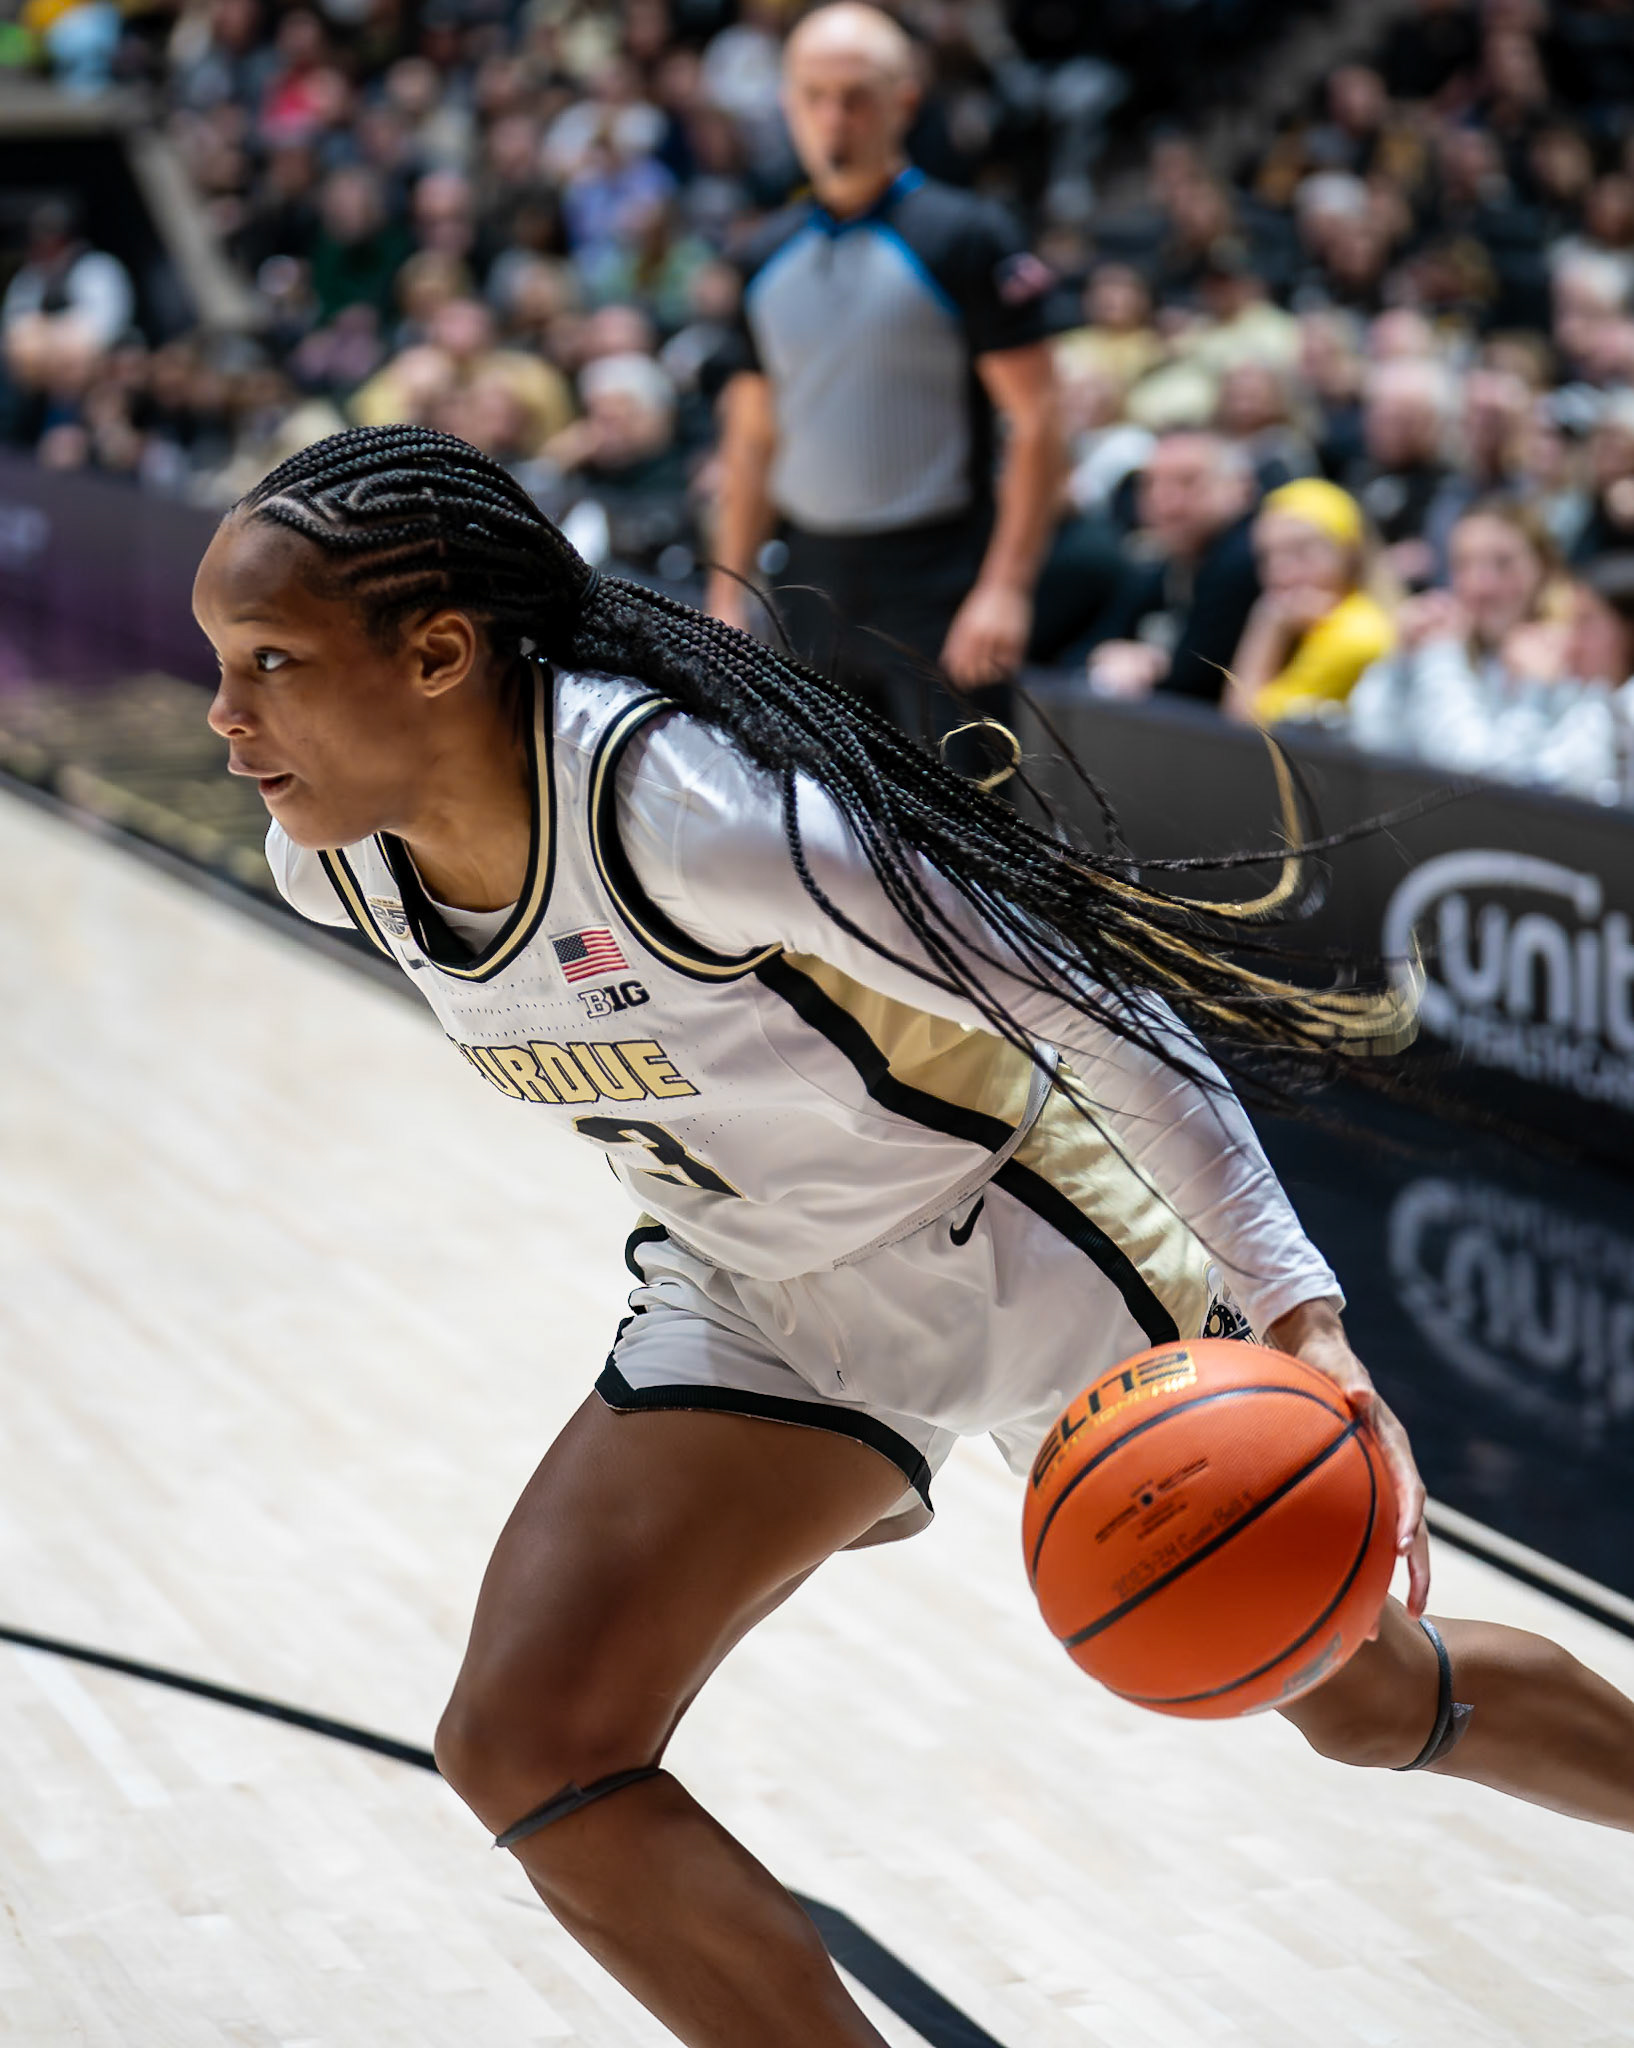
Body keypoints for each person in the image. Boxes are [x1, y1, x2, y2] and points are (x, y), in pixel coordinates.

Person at [193, 424, 1634, 2048]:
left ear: (441, 653)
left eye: (268, 664)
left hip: (1018, 1229)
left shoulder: (689, 810)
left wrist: (1296, 1313)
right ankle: (849, 1462)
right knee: (526, 1743)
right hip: (753, 1287)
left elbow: (1090, 1008)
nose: (225, 718)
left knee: (1363, 1699)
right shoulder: (336, 866)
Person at [705, 2, 1061, 767]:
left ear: (905, 98)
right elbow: (752, 436)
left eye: (857, 95)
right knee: (823, 829)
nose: (834, 117)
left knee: (976, 832)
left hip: (939, 578)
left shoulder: (964, 236)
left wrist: (1006, 588)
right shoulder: (761, 254)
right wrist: (731, 591)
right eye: (814, 94)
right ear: (785, 102)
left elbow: (1039, 423)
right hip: (807, 577)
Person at [1345, 498, 1562, 773]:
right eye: (1463, 565)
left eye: (1503, 563)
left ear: (1543, 568)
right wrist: (1398, 662)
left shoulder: (1571, 656)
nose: (1481, 585)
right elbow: (1371, 739)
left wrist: (1440, 656)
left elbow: (1475, 778)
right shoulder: (1465, 653)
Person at [1081, 430, 1260, 703]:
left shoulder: (1245, 559)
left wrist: (1153, 665)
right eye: (1150, 484)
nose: (1165, 502)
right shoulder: (1168, 559)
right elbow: (1095, 644)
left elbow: (1195, 683)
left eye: (1188, 482)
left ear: (1241, 488)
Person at [1224, 479, 1396, 725]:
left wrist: (1267, 625)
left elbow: (1246, 727)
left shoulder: (1355, 635)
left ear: (1349, 554)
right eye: (1267, 557)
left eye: (1300, 551)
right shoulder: (1315, 622)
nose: (1279, 573)